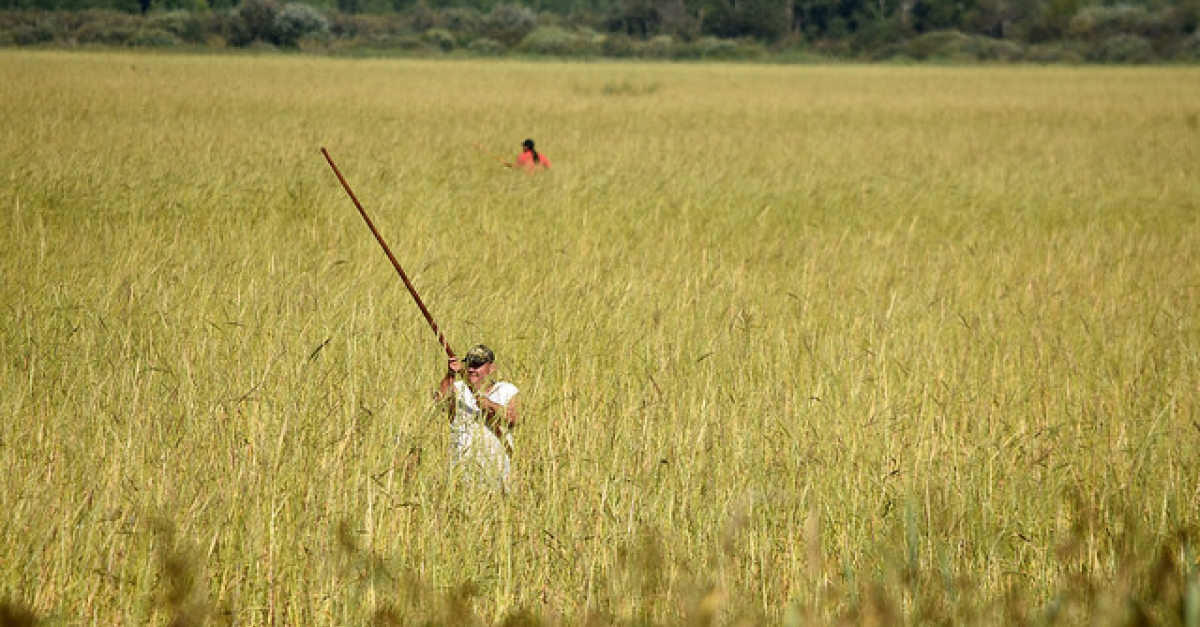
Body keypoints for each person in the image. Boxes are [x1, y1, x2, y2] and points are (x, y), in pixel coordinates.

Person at [436, 344, 520, 492]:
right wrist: (450, 374)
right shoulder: (458, 388)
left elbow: (514, 418)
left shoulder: (506, 390)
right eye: (469, 364)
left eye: (477, 365)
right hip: (461, 474)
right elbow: (440, 401)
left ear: (492, 368)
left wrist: (488, 404)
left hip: (497, 474)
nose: (471, 369)